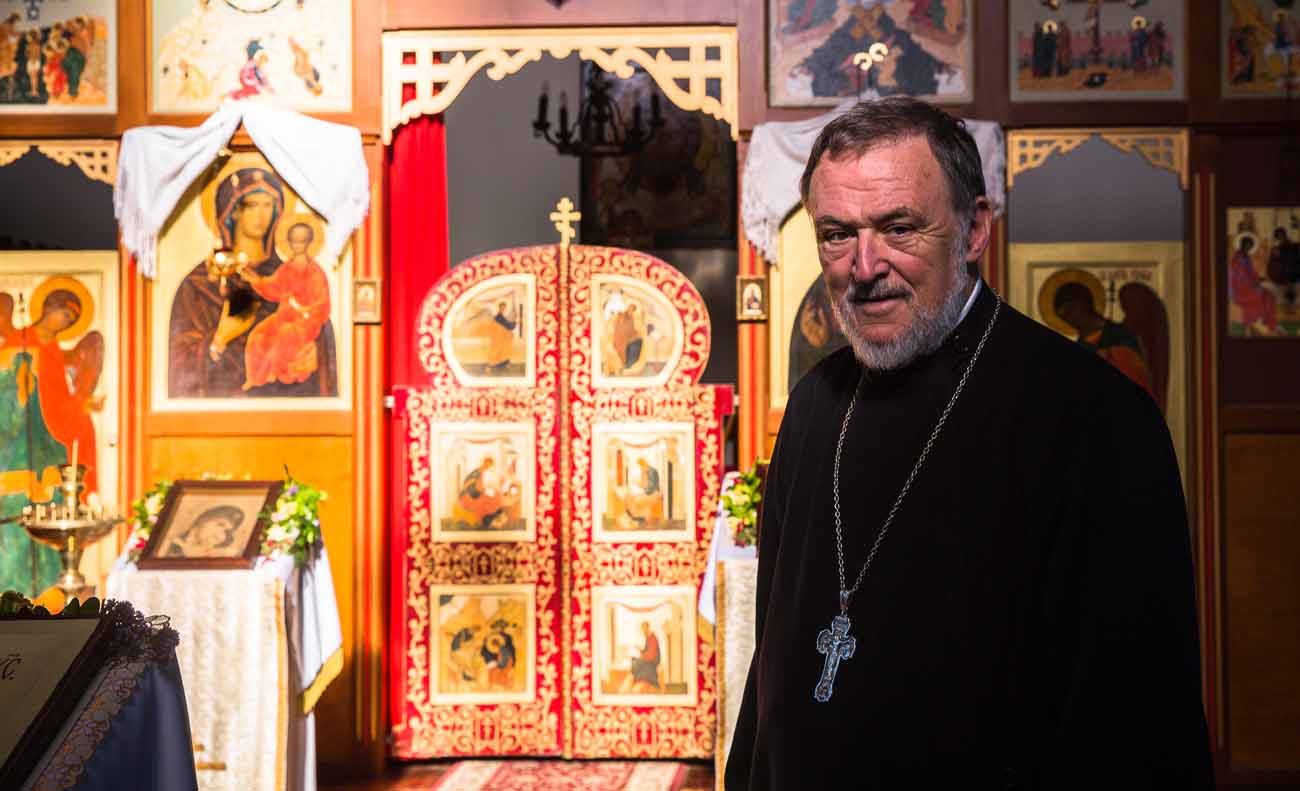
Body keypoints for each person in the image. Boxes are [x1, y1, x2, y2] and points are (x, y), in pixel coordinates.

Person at [726, 97, 1211, 789]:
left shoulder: (1097, 419)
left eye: (898, 227)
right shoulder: (813, 406)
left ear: (975, 228)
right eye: (836, 234)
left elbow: (1139, 717)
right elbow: (773, 658)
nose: (864, 266)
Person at [239, 221, 331, 390]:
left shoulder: (315, 273)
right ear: (289, 242)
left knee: (286, 333)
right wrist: (256, 280)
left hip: (306, 322)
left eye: (302, 240)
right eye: (294, 240)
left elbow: (323, 303)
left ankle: (277, 373)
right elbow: (274, 288)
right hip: (284, 316)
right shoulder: (286, 269)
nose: (298, 245)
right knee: (258, 334)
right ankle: (255, 377)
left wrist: (307, 310)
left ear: (309, 242)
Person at [165, 505, 244, 557]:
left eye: (226, 531)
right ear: (204, 519)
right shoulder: (169, 543)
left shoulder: (220, 553)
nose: (219, 536)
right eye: (220, 525)